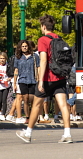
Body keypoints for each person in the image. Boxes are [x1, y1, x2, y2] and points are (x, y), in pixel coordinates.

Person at [17, 14, 73, 144]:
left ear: (43, 27)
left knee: (37, 105)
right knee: (63, 105)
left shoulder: (43, 40)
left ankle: (28, 133)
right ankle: (67, 134)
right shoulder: (59, 39)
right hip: (60, 77)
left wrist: (41, 80)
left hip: (47, 78)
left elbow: (43, 60)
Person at [13, 40, 39, 124]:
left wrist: (39, 79)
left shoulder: (35, 56)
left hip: (32, 80)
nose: (24, 48)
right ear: (20, 48)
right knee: (26, 99)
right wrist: (14, 83)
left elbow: (38, 67)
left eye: (26, 46)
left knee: (32, 99)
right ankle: (28, 117)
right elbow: (16, 70)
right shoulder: (18, 57)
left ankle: (34, 116)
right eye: (23, 46)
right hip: (22, 80)